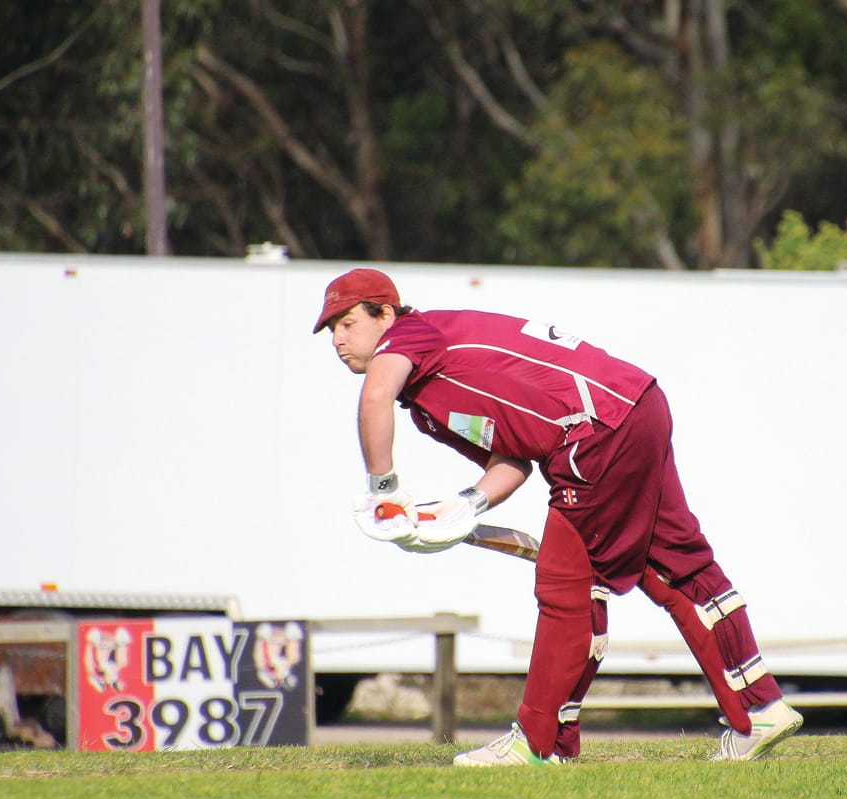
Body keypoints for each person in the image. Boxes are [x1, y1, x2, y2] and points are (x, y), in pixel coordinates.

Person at [315, 267, 801, 765]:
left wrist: (383, 490)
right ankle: (758, 707)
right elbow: (511, 460)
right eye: (331, 329)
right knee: (677, 567)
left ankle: (540, 745)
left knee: (566, 587)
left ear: (385, 313)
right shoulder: (422, 402)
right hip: (634, 405)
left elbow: (373, 398)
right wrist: (467, 504)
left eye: (347, 323)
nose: (337, 339)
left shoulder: (411, 333)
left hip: (594, 432)